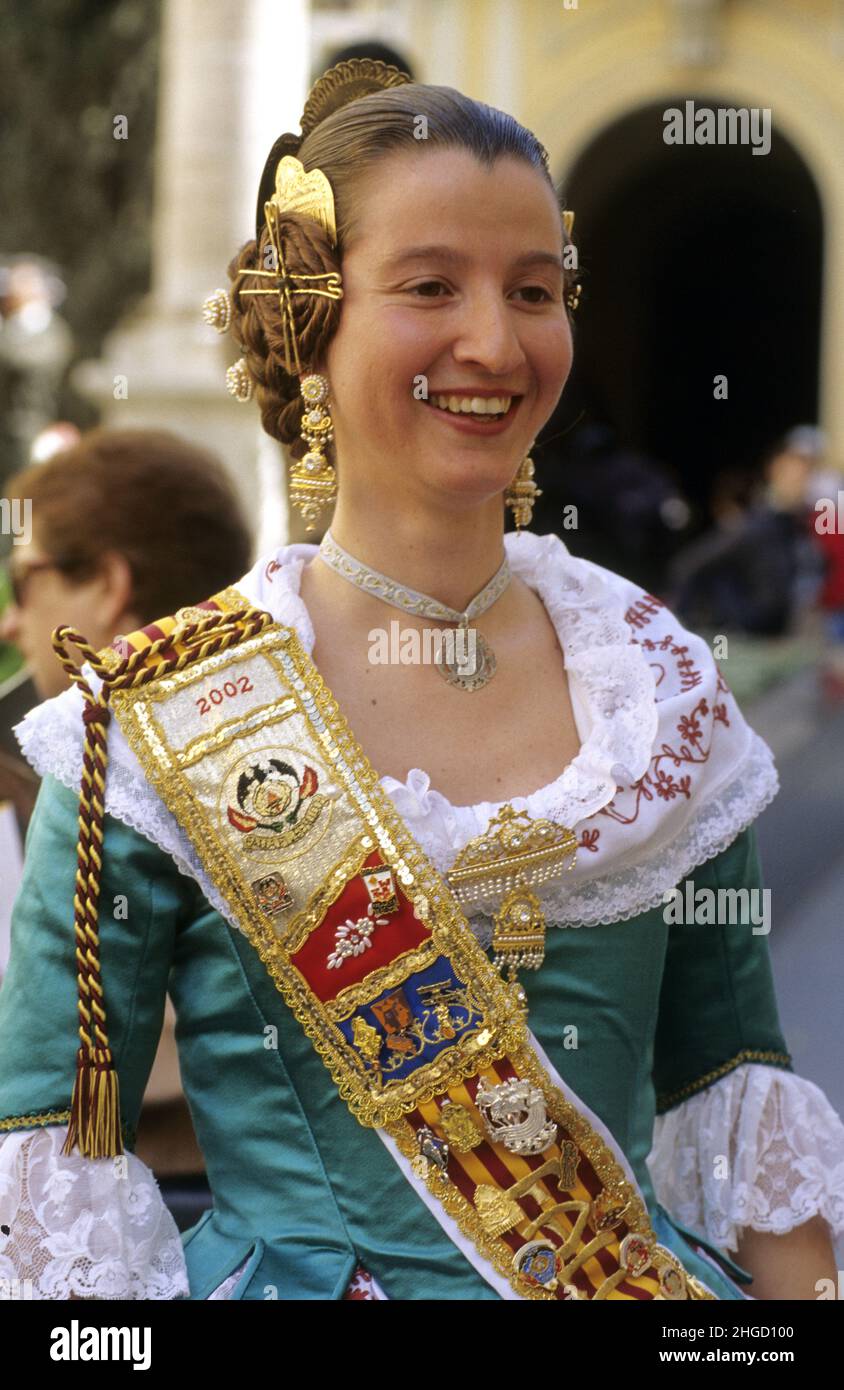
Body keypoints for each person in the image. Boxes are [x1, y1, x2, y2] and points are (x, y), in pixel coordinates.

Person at [0, 58, 841, 1303]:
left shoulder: (653, 682)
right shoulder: (155, 723)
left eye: (536, 290)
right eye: (429, 286)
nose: (494, 342)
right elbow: (51, 1185)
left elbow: (732, 1090)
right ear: (309, 321)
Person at [0, 427, 254, 1207]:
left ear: (107, 585)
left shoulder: (48, 784)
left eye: (24, 583)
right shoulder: (290, 765)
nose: (11, 623)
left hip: (77, 1216)